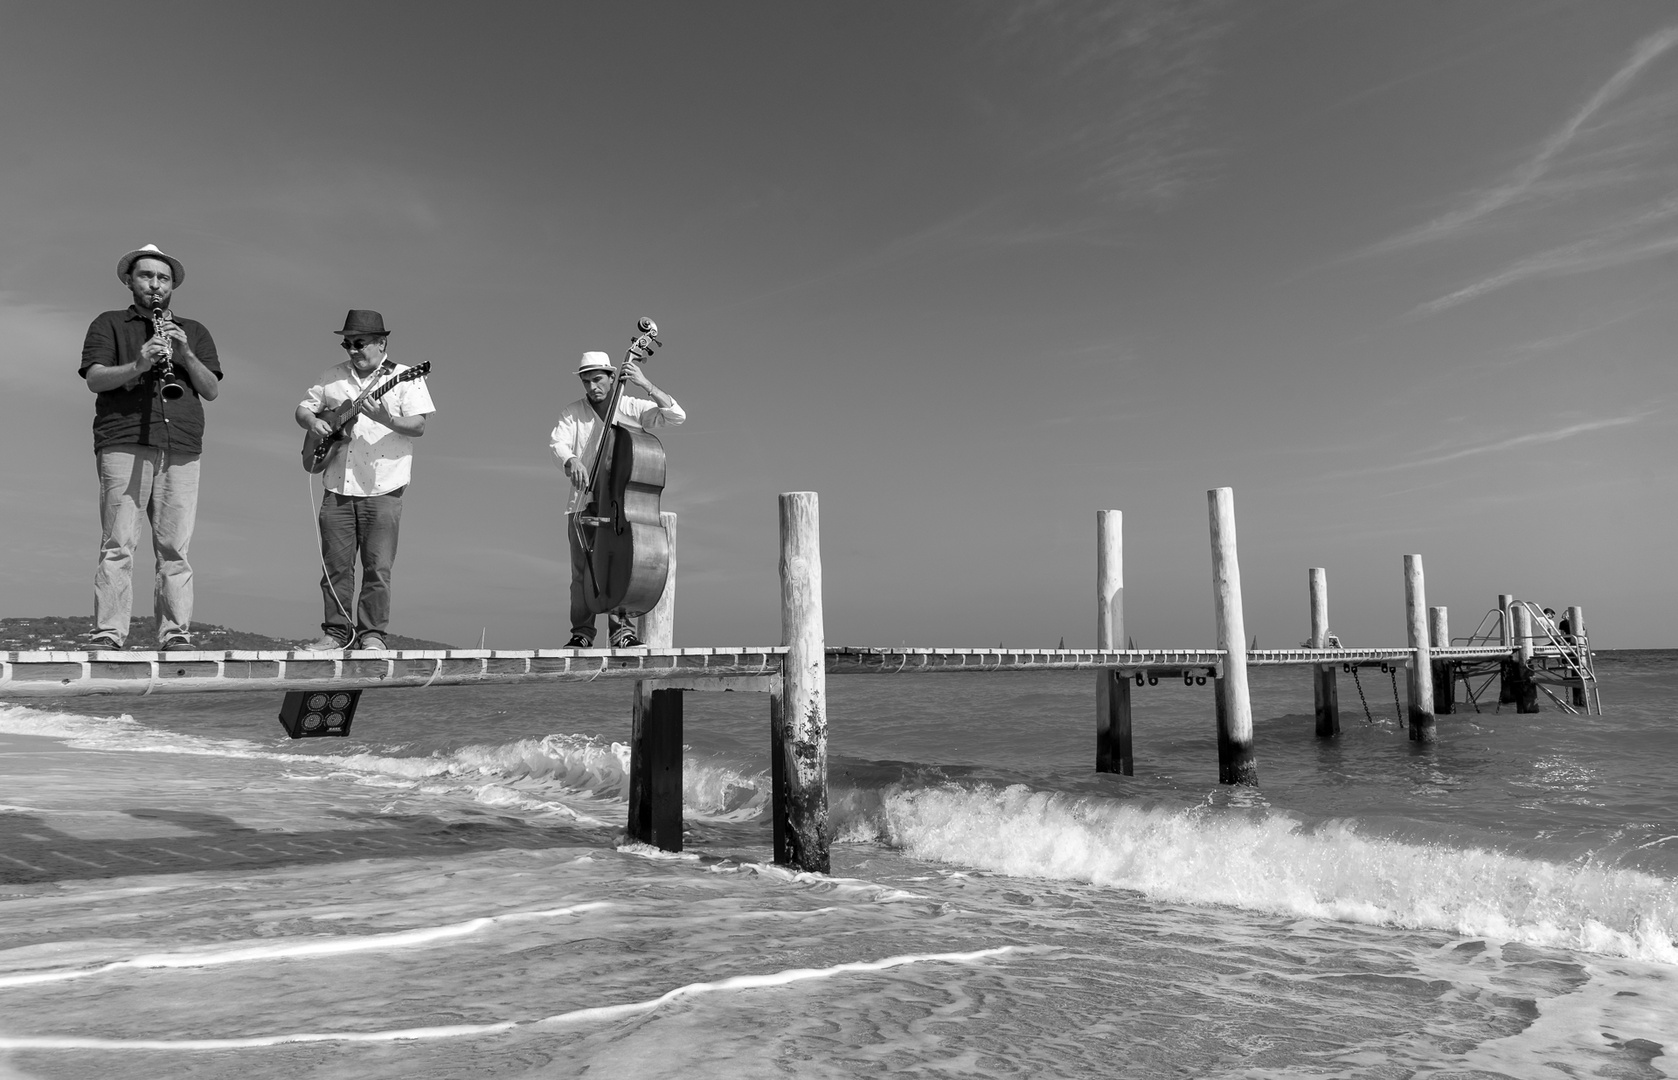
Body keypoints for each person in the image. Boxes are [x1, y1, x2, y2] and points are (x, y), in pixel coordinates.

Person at [80, 244, 223, 651]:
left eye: (163, 278)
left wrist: (185, 355)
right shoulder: (108, 323)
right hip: (124, 439)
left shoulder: (193, 331)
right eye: (146, 276)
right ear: (130, 280)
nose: (155, 284)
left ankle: (175, 634)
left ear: (172, 285)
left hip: (181, 443)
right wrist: (140, 364)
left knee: (175, 548)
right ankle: (108, 634)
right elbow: (95, 378)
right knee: (118, 543)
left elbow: (211, 389)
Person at [294, 310, 435, 651]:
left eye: (359, 343)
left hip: (383, 485)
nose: (352, 350)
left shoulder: (405, 377)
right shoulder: (332, 377)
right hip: (337, 482)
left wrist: (384, 418)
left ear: (381, 343)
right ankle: (336, 634)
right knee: (335, 568)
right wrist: (314, 424)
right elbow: (303, 409)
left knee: (377, 568)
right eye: (347, 344)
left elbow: (418, 426)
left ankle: (372, 635)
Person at [549, 351, 684, 647]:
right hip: (584, 501)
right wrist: (571, 460)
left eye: (597, 379)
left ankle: (622, 632)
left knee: (623, 566)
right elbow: (557, 442)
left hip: (623, 505)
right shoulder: (573, 412)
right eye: (586, 381)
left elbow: (676, 416)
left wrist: (645, 383)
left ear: (612, 377)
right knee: (582, 572)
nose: (591, 386)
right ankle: (582, 633)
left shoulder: (632, 406)